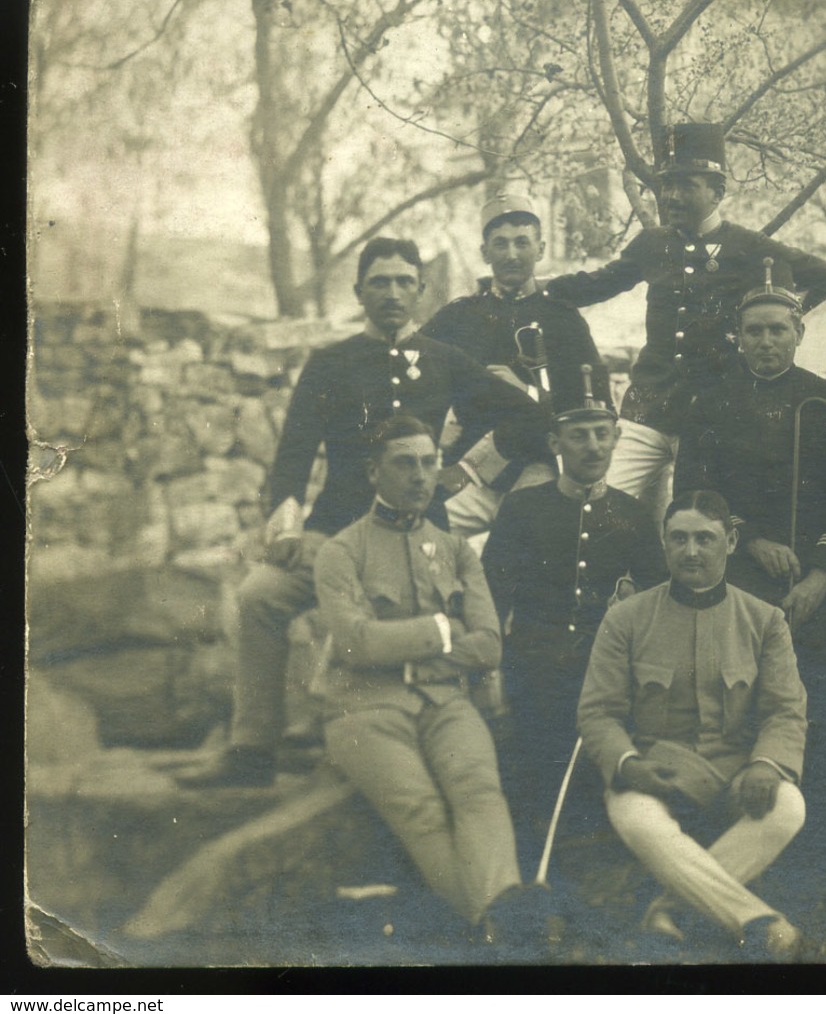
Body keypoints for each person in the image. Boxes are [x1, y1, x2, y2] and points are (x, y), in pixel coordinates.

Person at [177, 237, 553, 789]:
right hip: (333, 533)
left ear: (422, 291)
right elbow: (294, 454)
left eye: (405, 281)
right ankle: (253, 749)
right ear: (359, 292)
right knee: (259, 596)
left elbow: (528, 417)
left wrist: (466, 472)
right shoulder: (329, 362)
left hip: (420, 539)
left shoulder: (446, 361)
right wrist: (287, 525)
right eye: (380, 282)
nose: (393, 293)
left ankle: (418, 732)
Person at [674, 280, 826, 871]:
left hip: (822, 582)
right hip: (740, 573)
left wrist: (820, 574)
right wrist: (752, 538)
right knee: (741, 700)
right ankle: (745, 825)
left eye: (777, 329)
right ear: (738, 338)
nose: (766, 341)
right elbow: (692, 492)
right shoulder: (709, 403)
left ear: (799, 332)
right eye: (754, 331)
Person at [311, 414, 541, 939]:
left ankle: (498, 925)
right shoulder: (341, 551)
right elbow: (353, 642)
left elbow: (487, 646)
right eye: (404, 463)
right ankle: (502, 927)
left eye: (429, 462)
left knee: (480, 789)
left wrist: (411, 656)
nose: (420, 475)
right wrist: (441, 628)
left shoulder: (456, 549)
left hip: (444, 703)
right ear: (374, 473)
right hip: (364, 711)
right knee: (422, 812)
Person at [547, 123, 826, 520]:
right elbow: (595, 285)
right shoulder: (652, 244)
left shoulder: (748, 247)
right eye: (667, 185)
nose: (671, 196)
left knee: (704, 520)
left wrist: (773, 315)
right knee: (602, 505)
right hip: (648, 408)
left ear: (717, 192)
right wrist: (538, 289)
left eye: (686, 185)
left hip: (715, 414)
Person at [576, 490, 808, 960]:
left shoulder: (765, 621)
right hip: (651, 772)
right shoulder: (626, 618)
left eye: (705, 538)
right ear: (664, 544)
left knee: (789, 806)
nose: (691, 551)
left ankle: (669, 910)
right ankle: (756, 921)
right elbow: (598, 712)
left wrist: (766, 765)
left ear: (732, 541)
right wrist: (628, 764)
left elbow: (785, 709)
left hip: (734, 776)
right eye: (678, 538)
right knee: (638, 817)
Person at [480, 368, 666, 865]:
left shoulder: (632, 513)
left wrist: (632, 597)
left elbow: (656, 592)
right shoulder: (522, 509)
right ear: (555, 440)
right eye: (578, 435)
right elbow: (490, 595)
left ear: (616, 438)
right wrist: (491, 664)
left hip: (606, 668)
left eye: (602, 434)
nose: (591, 445)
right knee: (533, 762)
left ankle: (597, 844)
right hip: (533, 662)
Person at [421, 191, 607, 541]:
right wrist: (436, 429)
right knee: (422, 538)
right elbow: (412, 369)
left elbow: (597, 405)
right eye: (500, 243)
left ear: (540, 248)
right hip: (467, 472)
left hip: (535, 466)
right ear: (484, 252)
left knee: (526, 542)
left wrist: (529, 393)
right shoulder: (458, 316)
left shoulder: (563, 319)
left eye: (522, 242)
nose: (511, 254)